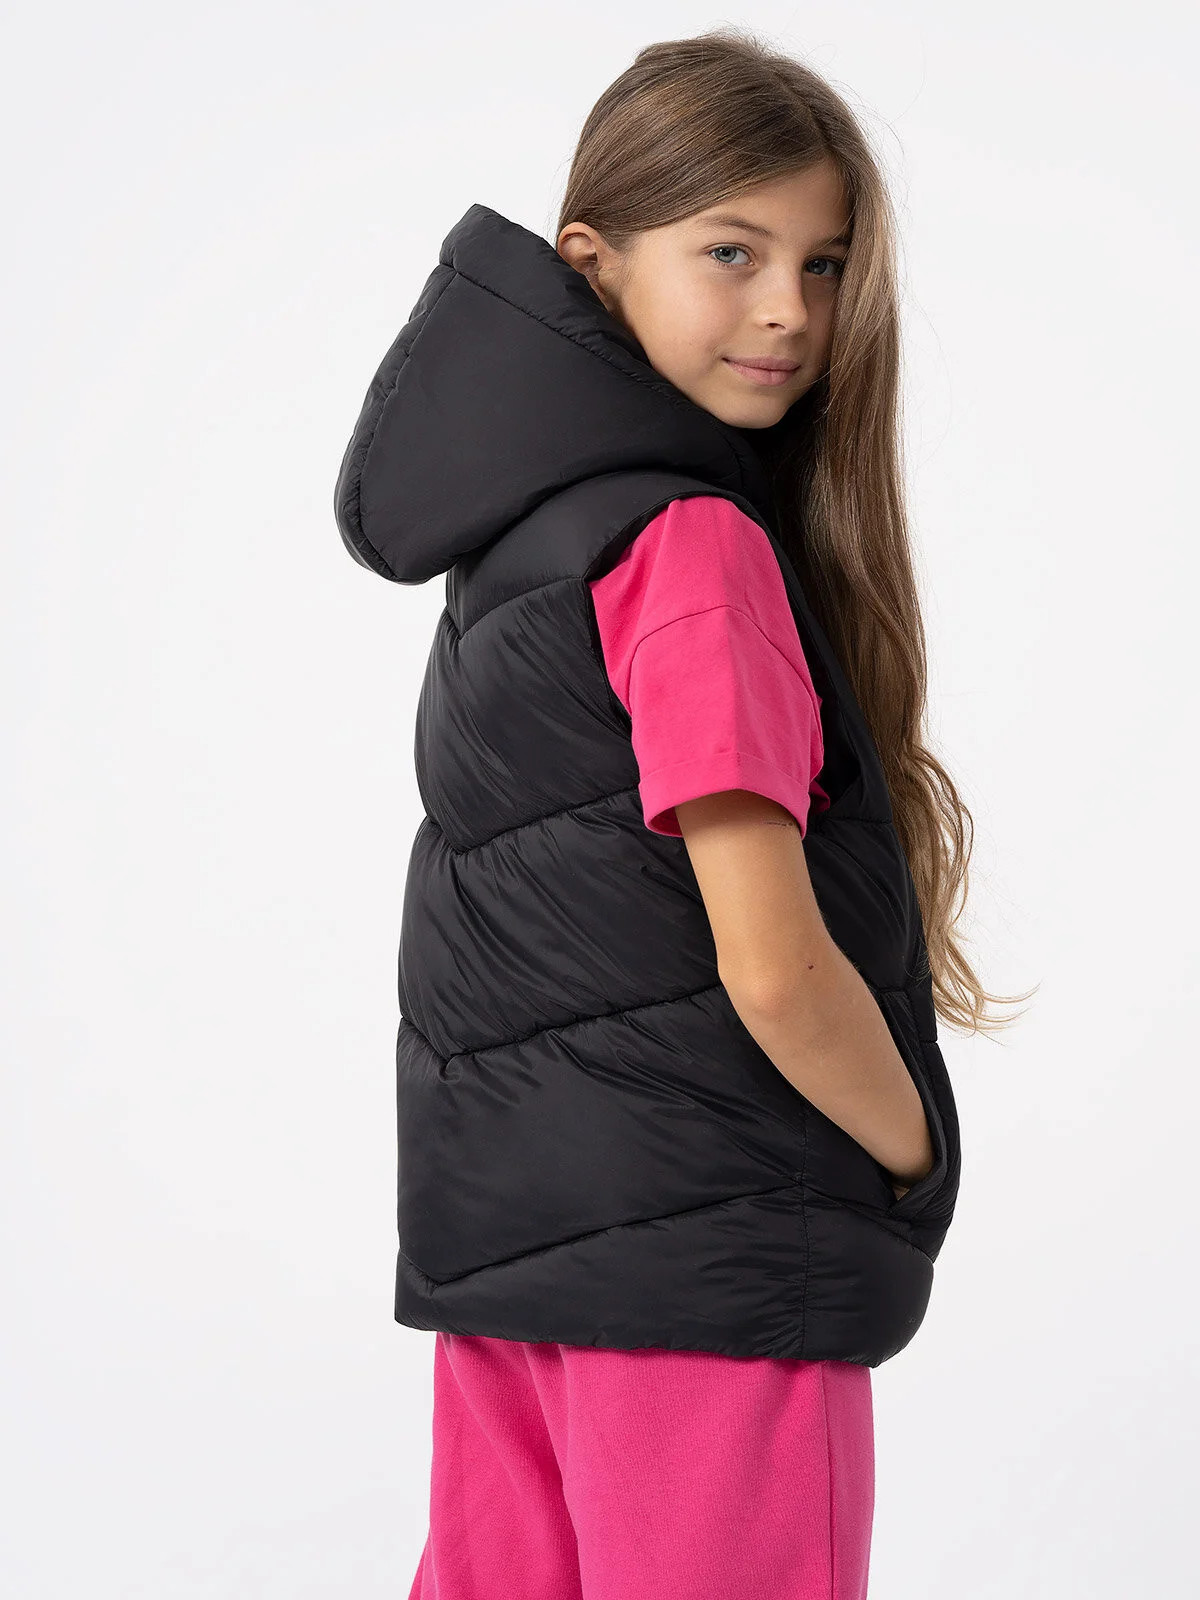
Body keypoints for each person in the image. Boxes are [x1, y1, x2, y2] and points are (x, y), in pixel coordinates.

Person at [333, 26, 1025, 1600]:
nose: (790, 308)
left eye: (825, 264)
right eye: (733, 251)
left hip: (507, 1265)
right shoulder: (692, 546)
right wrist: (913, 1153)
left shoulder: (515, 547)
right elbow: (772, 965)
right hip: (714, 1271)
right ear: (594, 262)